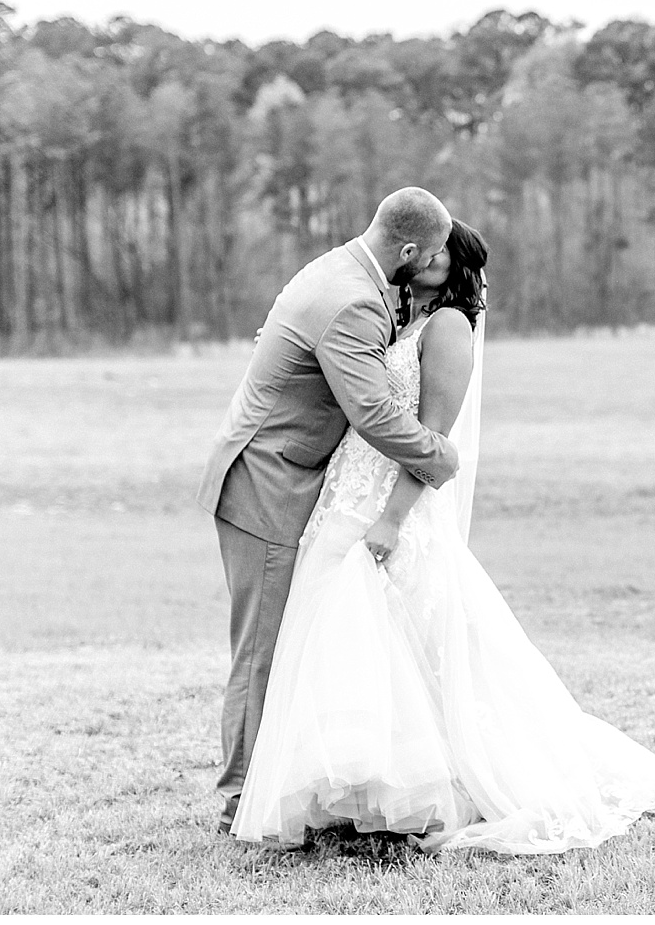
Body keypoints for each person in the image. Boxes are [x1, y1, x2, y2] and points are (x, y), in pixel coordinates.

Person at [232, 219, 655, 853]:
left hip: (388, 506)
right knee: (343, 640)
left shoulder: (451, 328)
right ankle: (348, 793)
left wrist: (391, 518)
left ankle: (421, 788)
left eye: (440, 250)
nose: (428, 255)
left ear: (455, 263)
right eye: (424, 247)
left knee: (402, 641)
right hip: (347, 493)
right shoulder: (400, 319)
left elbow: (437, 438)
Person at [197, 187, 462, 837]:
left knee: (279, 642)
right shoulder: (352, 301)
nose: (431, 266)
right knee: (263, 648)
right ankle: (241, 795)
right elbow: (373, 412)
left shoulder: (338, 268)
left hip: (279, 469)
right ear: (406, 250)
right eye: (428, 257)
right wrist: (439, 457)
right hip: (268, 480)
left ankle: (272, 781)